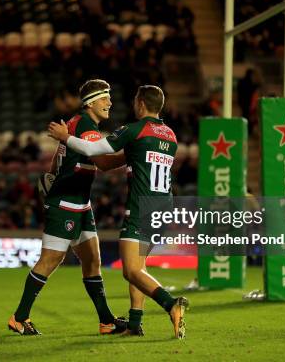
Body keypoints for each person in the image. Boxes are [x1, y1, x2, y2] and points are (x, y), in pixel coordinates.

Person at [48, 85, 188, 339]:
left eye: (135, 99)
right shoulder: (170, 135)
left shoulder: (134, 130)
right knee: (140, 266)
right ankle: (135, 323)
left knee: (131, 270)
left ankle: (171, 304)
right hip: (164, 206)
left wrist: (64, 137)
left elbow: (93, 150)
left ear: (141, 103)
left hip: (141, 207)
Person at [8, 79, 127, 335]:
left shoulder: (75, 123)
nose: (110, 103)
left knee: (92, 260)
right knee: (51, 260)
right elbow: (104, 163)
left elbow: (54, 164)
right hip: (66, 202)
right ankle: (19, 317)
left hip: (79, 204)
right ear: (91, 102)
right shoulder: (86, 126)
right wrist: (135, 151)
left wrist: (54, 180)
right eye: (105, 98)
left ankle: (106, 321)